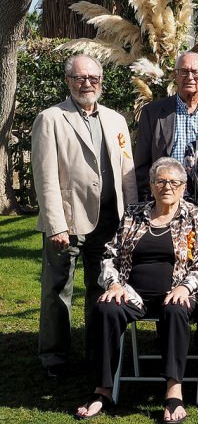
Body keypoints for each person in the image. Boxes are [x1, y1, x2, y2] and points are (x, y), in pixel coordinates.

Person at [74, 158, 198, 424]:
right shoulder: (134, 213)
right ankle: (103, 390)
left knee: (176, 309)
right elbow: (109, 255)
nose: (166, 187)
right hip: (132, 293)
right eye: (160, 181)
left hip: (178, 291)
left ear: (183, 187)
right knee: (104, 307)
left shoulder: (197, 216)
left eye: (173, 182)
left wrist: (184, 287)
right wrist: (113, 285)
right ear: (151, 185)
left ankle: (174, 391)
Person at [32, 54, 137, 377]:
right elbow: (45, 176)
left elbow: (127, 172)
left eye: (93, 78)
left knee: (101, 287)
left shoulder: (115, 119)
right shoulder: (51, 119)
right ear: (68, 81)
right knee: (57, 289)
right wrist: (55, 225)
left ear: (101, 82)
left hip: (108, 220)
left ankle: (97, 353)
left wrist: (130, 217)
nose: (87, 84)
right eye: (80, 78)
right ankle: (54, 356)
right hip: (67, 220)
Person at [135, 52, 198, 200]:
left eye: (196, 72)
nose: (190, 77)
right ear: (175, 76)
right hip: (165, 197)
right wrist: (147, 199)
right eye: (184, 72)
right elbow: (142, 163)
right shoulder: (154, 112)